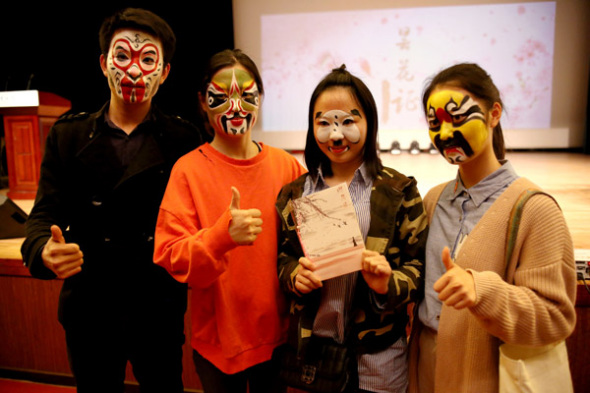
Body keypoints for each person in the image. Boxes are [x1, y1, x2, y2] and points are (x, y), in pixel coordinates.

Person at [20, 8, 204, 393]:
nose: (134, 72)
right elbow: (42, 216)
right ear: (104, 64)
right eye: (123, 57)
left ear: (165, 72)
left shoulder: (185, 140)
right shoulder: (68, 136)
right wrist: (43, 251)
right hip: (90, 310)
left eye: (148, 59)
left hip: (157, 310)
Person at [407, 63, 578, 393]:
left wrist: (483, 291)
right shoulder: (433, 201)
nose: (444, 134)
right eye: (434, 123)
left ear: (494, 113)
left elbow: (555, 318)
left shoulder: (535, 209)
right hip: (427, 373)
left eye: (457, 118)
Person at [153, 48, 306, 393]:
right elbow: (171, 255)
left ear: (260, 99)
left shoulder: (287, 166)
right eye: (220, 98)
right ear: (202, 102)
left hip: (277, 339)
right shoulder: (188, 170)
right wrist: (222, 235)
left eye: (247, 96)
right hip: (220, 345)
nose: (236, 108)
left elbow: (313, 241)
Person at [275, 65, 428, 393]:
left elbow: (417, 269)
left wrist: (388, 283)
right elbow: (284, 258)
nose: (336, 135)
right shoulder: (295, 193)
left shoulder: (399, 191)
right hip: (316, 359)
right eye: (324, 122)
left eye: (348, 121)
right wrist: (293, 276)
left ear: (369, 123)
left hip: (379, 360)